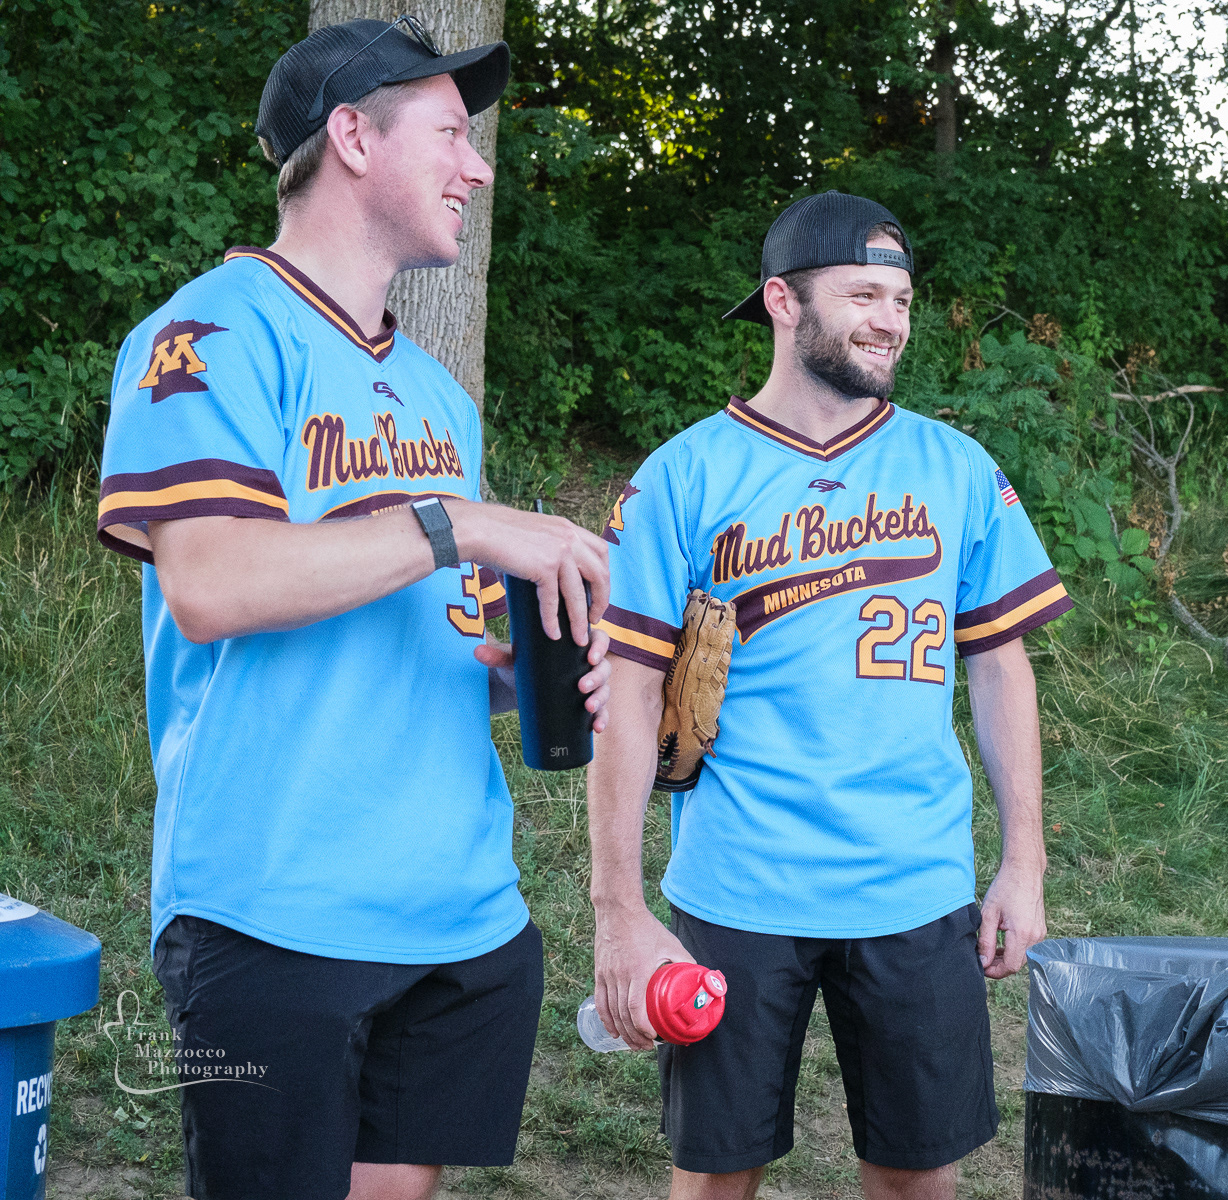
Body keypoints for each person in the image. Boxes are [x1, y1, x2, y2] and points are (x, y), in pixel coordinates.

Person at [95, 18, 613, 1200]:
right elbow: (214, 585)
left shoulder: (435, 390)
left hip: (457, 906)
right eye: (449, 134)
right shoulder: (208, 334)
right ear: (351, 138)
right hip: (276, 905)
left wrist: (507, 671)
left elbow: (413, 610)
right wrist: (463, 523)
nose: (477, 167)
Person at [587, 191, 1070, 1200]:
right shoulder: (685, 475)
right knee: (717, 1171)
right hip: (738, 883)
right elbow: (625, 699)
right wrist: (618, 907)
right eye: (862, 292)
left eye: (900, 296)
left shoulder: (957, 468)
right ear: (781, 301)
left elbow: (1000, 665)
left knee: (915, 1173)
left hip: (914, 882)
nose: (890, 318)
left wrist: (1022, 863)